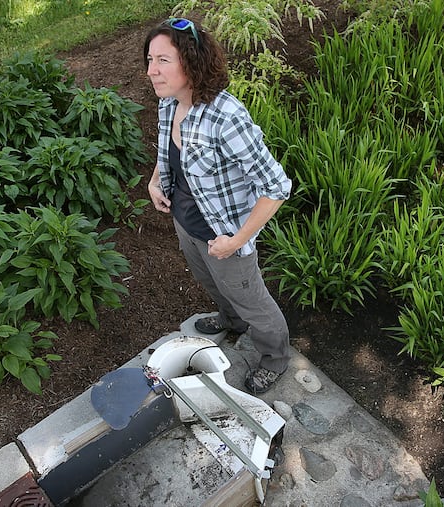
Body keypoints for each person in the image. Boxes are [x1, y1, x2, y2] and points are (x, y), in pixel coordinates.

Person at [144, 18, 292, 394]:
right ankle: (230, 320)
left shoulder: (226, 118)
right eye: (149, 59)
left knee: (253, 302)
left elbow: (277, 187)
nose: (151, 71)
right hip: (187, 224)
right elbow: (169, 150)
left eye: (162, 60)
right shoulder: (169, 104)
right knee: (210, 282)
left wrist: (237, 240)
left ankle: (275, 359)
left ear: (191, 62)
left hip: (225, 239)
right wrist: (155, 179)